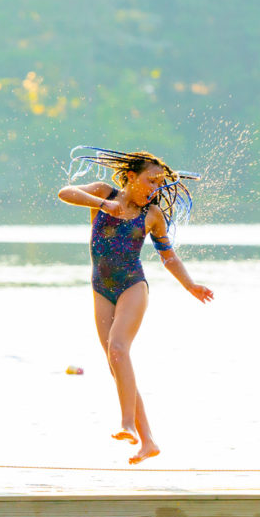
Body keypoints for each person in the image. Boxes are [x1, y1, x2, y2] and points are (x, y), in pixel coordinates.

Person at [57, 149, 213, 464]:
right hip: (101, 289)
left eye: (159, 183)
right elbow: (64, 192)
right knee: (117, 362)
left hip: (132, 286)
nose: (155, 188)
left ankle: (127, 425)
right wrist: (103, 205)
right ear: (131, 176)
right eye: (150, 180)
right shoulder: (104, 193)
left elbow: (168, 256)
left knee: (118, 348)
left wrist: (190, 285)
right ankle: (148, 441)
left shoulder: (153, 215)